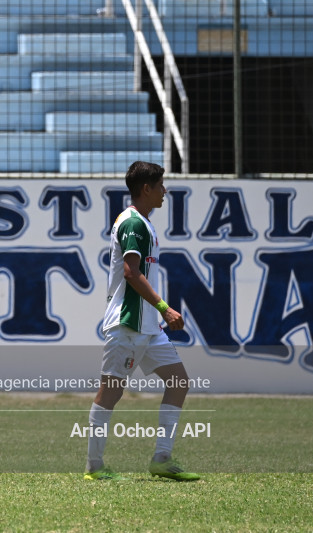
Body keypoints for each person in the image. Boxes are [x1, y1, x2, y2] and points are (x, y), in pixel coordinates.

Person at [85, 161, 200, 482]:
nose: (165, 190)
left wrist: (158, 315)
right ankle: (94, 466)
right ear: (146, 189)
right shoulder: (133, 224)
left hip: (148, 326)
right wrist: (164, 307)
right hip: (128, 323)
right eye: (161, 185)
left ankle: (162, 459)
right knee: (110, 392)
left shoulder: (143, 223)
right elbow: (130, 273)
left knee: (179, 382)